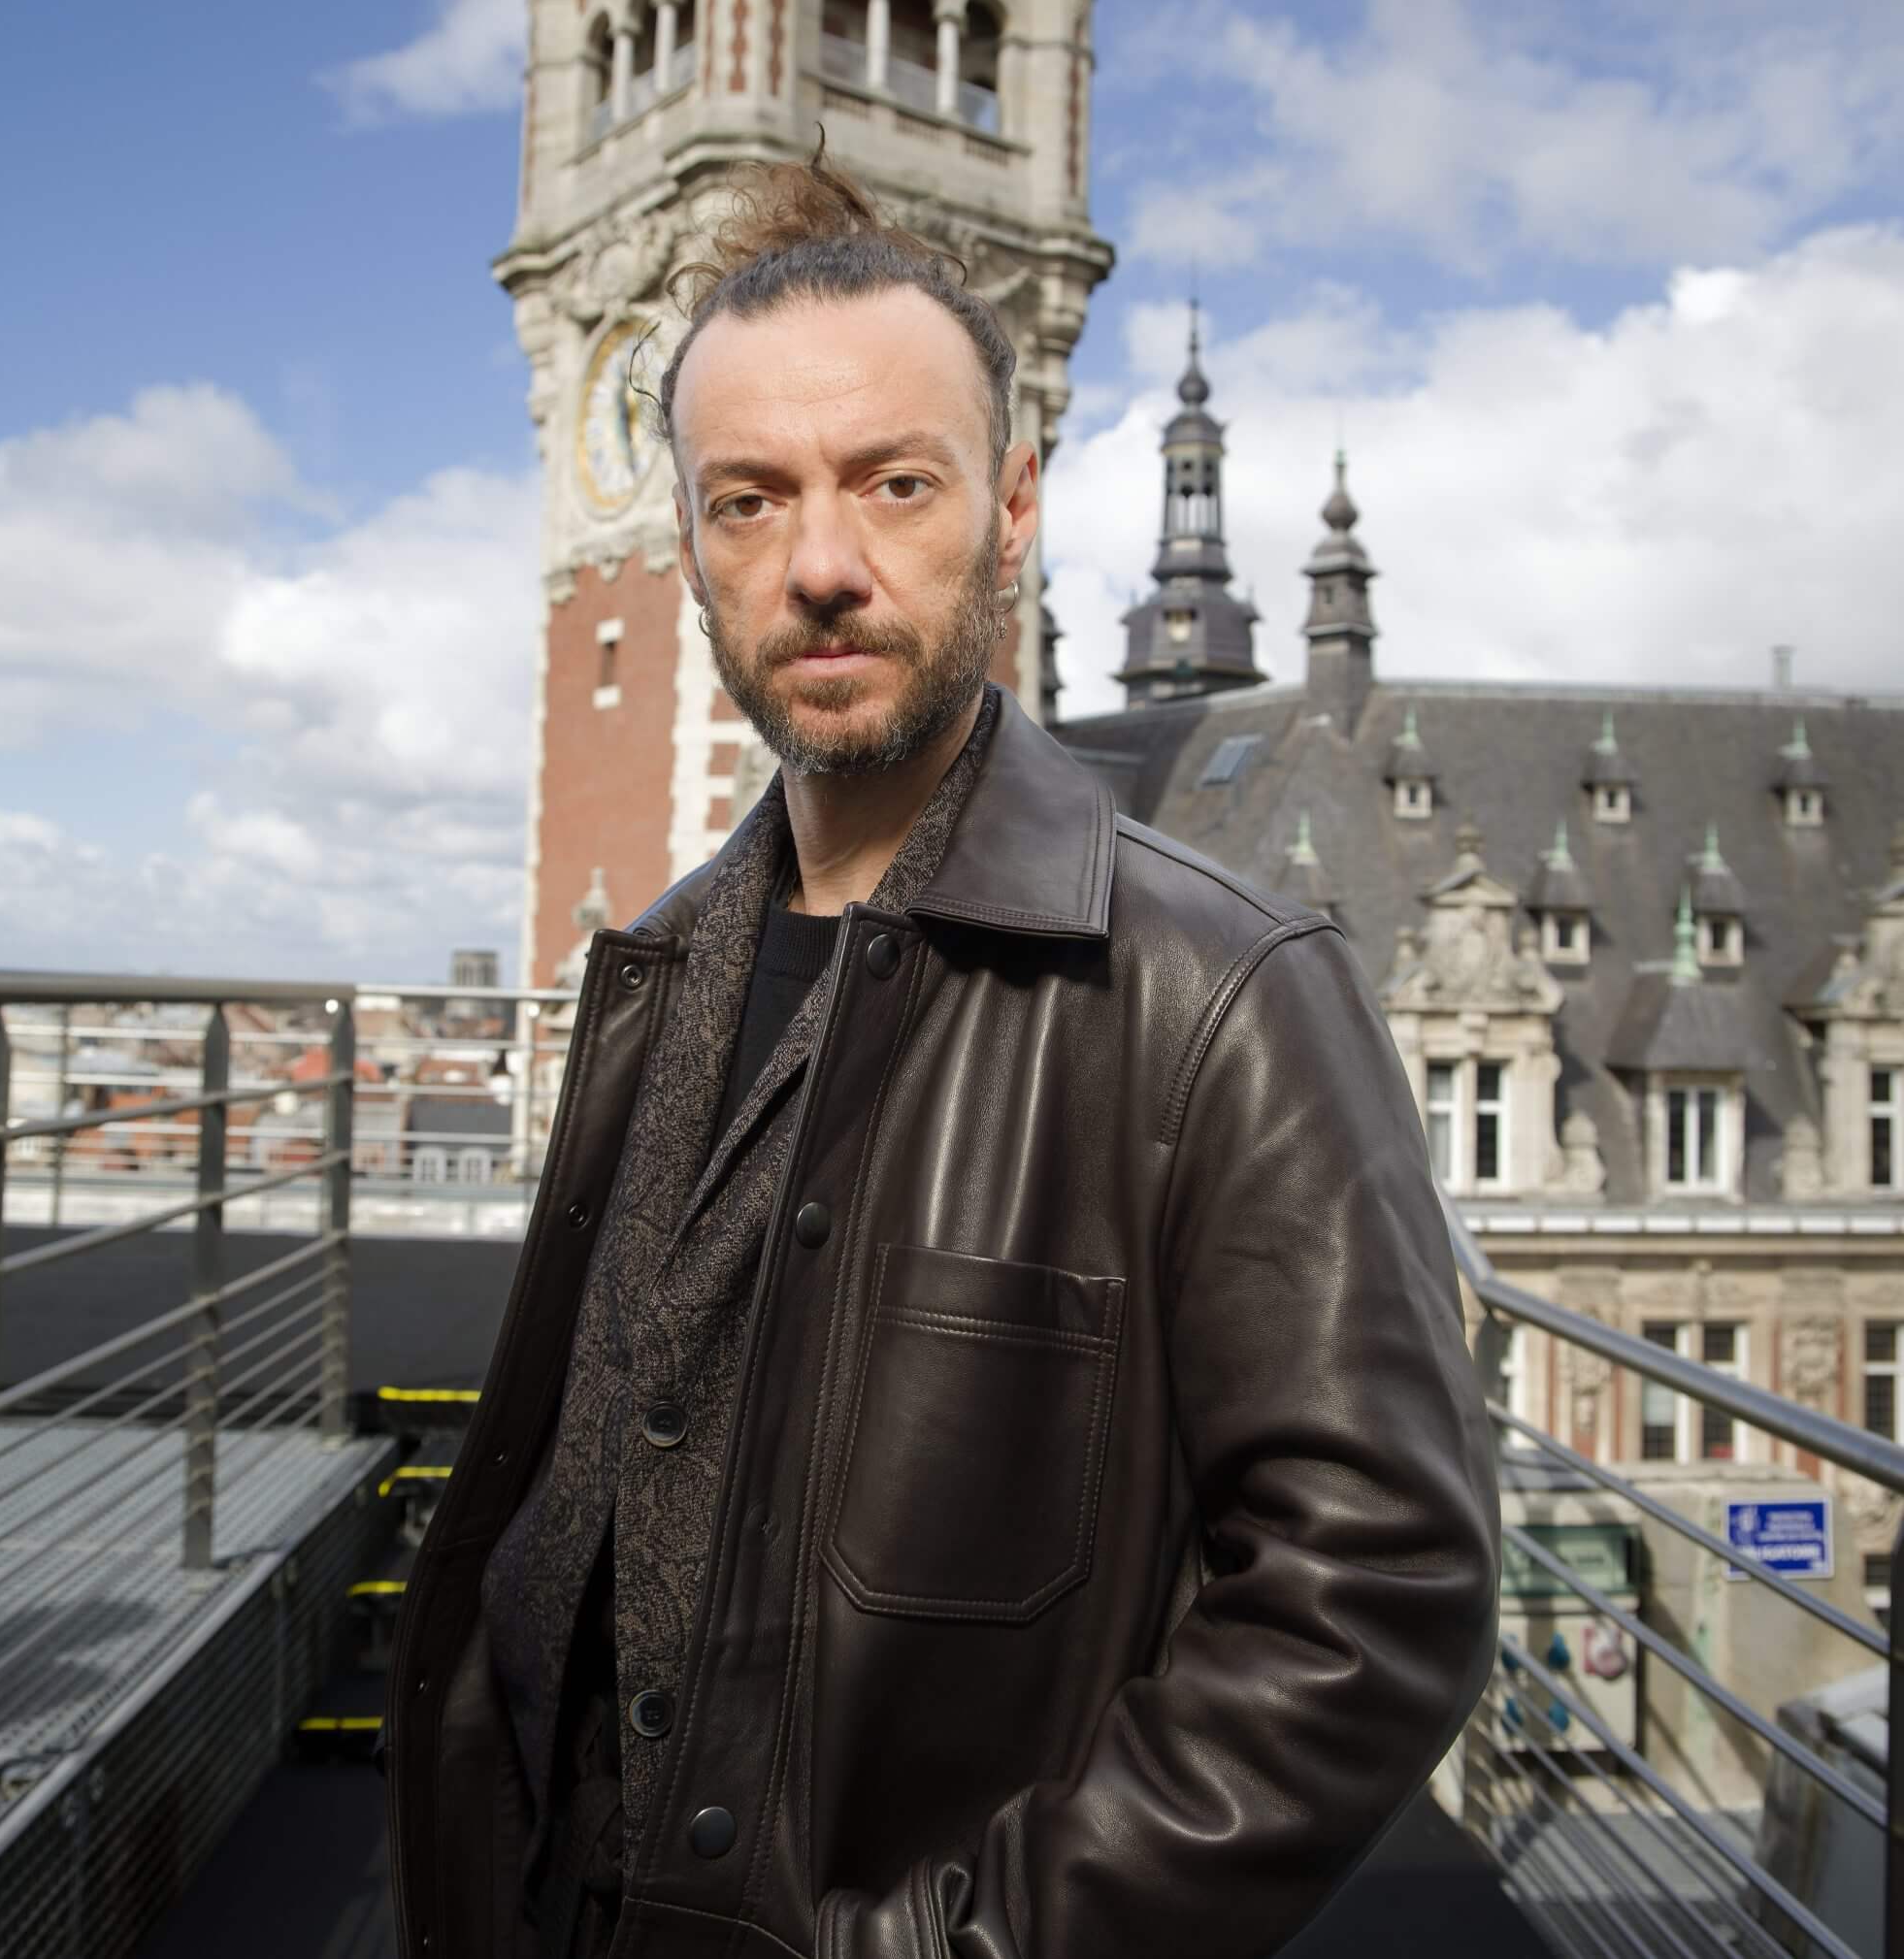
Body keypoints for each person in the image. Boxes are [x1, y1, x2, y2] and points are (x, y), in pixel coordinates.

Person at [383, 149, 1502, 1959]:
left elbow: (1371, 1602)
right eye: (747, 501)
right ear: (692, 547)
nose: (819, 566)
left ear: (1012, 507)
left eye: (892, 483)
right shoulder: (656, 965)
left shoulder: (1221, 988)